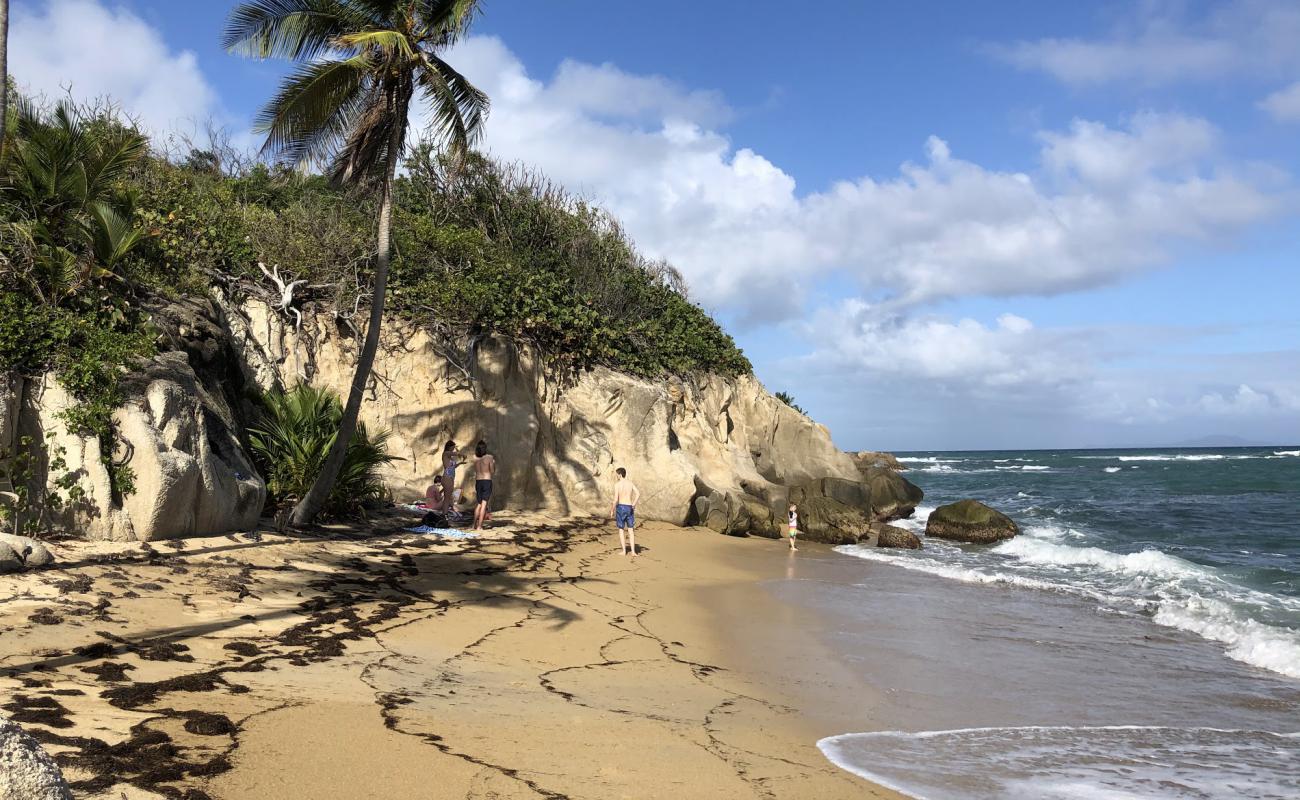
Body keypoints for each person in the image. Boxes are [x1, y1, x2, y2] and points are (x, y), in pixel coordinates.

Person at [611, 467, 640, 557]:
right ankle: (633, 552)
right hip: (629, 507)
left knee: (621, 529)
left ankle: (624, 551)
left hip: (621, 507)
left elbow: (615, 499)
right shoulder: (630, 483)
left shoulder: (617, 485)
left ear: (620, 474)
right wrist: (634, 503)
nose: (616, 476)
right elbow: (638, 493)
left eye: (617, 475)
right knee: (631, 530)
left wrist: (612, 509)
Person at [472, 440, 496, 531]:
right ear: (485, 448)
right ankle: (479, 526)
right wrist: (493, 463)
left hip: (478, 481)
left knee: (479, 504)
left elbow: (476, 469)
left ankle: (474, 524)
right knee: (484, 504)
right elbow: (492, 471)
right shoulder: (489, 457)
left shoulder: (474, 457)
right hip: (486, 481)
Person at [440, 441, 464, 513]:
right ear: (449, 447)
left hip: (451, 478)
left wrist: (460, 463)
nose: (453, 449)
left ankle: (445, 513)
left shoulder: (450, 457)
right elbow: (455, 453)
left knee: (448, 498)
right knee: (447, 498)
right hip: (447, 477)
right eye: (453, 447)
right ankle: (445, 515)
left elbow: (453, 467)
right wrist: (461, 454)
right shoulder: (446, 453)